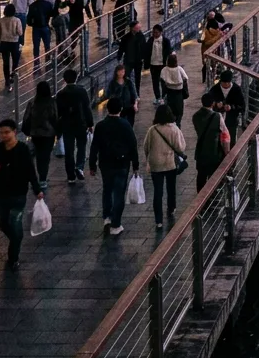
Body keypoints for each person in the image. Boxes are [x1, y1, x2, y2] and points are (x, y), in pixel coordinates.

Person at [0, 118, 44, 269]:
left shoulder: (22, 149)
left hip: (18, 194)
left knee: (15, 223)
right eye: (1, 133)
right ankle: (16, 240)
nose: (4, 136)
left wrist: (37, 189)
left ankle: (13, 258)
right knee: (3, 223)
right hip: (1, 193)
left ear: (14, 132)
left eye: (7, 132)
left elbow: (30, 170)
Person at [89, 97, 140, 236]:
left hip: (105, 163)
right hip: (122, 163)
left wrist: (92, 165)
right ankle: (116, 224)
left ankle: (107, 217)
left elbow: (95, 147)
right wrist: (135, 165)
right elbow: (133, 146)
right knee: (119, 193)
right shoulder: (125, 125)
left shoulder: (100, 126)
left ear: (107, 109)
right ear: (121, 109)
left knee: (107, 189)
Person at [143, 105, 186, 229]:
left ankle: (158, 220)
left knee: (158, 191)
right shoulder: (174, 129)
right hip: (170, 163)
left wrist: (149, 158)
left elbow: (146, 146)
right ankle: (171, 208)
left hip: (156, 164)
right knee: (171, 187)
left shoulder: (152, 130)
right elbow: (181, 147)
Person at [56, 68, 94, 184]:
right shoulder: (81, 91)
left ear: (64, 79)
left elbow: (58, 113)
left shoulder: (61, 94)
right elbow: (87, 108)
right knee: (81, 146)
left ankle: (71, 176)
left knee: (69, 150)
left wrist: (58, 130)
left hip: (67, 125)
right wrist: (90, 123)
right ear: (76, 78)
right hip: (80, 124)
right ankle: (80, 167)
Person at [21, 81, 58, 188]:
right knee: (45, 156)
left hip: (35, 134)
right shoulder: (52, 102)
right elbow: (55, 118)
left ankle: (41, 176)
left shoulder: (32, 102)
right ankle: (43, 178)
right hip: (48, 133)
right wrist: (58, 131)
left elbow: (26, 118)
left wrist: (27, 131)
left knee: (39, 155)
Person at [192, 92, 226, 191]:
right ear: (213, 103)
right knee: (213, 176)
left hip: (201, 150)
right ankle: (211, 198)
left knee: (201, 176)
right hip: (213, 151)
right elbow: (224, 133)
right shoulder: (217, 116)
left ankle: (200, 199)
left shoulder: (195, 116)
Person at [209, 69, 246, 145]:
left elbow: (242, 106)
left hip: (231, 121)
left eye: (227, 83)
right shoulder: (215, 89)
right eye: (223, 83)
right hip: (217, 121)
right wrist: (216, 104)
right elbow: (208, 104)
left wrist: (231, 107)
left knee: (232, 141)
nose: (225, 85)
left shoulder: (236, 90)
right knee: (217, 142)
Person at [0, 4, 23, 91]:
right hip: (14, 43)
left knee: (6, 62)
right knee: (15, 61)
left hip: (4, 43)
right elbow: (20, 33)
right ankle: (13, 76)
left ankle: (7, 80)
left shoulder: (0, 21)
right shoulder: (17, 20)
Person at [145, 24, 173, 104]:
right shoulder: (150, 40)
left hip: (162, 64)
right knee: (155, 82)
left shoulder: (166, 41)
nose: (154, 34)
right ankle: (157, 97)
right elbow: (147, 52)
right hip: (153, 64)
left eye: (156, 33)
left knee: (163, 81)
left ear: (161, 32)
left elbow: (169, 51)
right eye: (153, 32)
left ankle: (164, 97)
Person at [159, 53, 190, 126]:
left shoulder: (164, 69)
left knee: (170, 112)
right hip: (179, 94)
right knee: (179, 113)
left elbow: (162, 79)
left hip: (169, 93)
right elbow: (186, 78)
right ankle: (178, 125)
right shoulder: (179, 69)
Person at [106, 63, 139, 128]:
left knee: (130, 124)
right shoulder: (112, 83)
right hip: (118, 109)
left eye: (123, 72)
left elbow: (134, 94)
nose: (122, 73)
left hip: (129, 107)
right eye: (120, 72)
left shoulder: (128, 82)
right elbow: (108, 95)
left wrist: (135, 105)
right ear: (116, 72)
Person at [27, 0, 53, 66]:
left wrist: (31, 24)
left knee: (36, 45)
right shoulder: (48, 4)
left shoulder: (32, 6)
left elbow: (29, 18)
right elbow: (51, 14)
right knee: (47, 44)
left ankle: (36, 61)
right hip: (45, 26)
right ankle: (48, 60)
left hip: (36, 28)